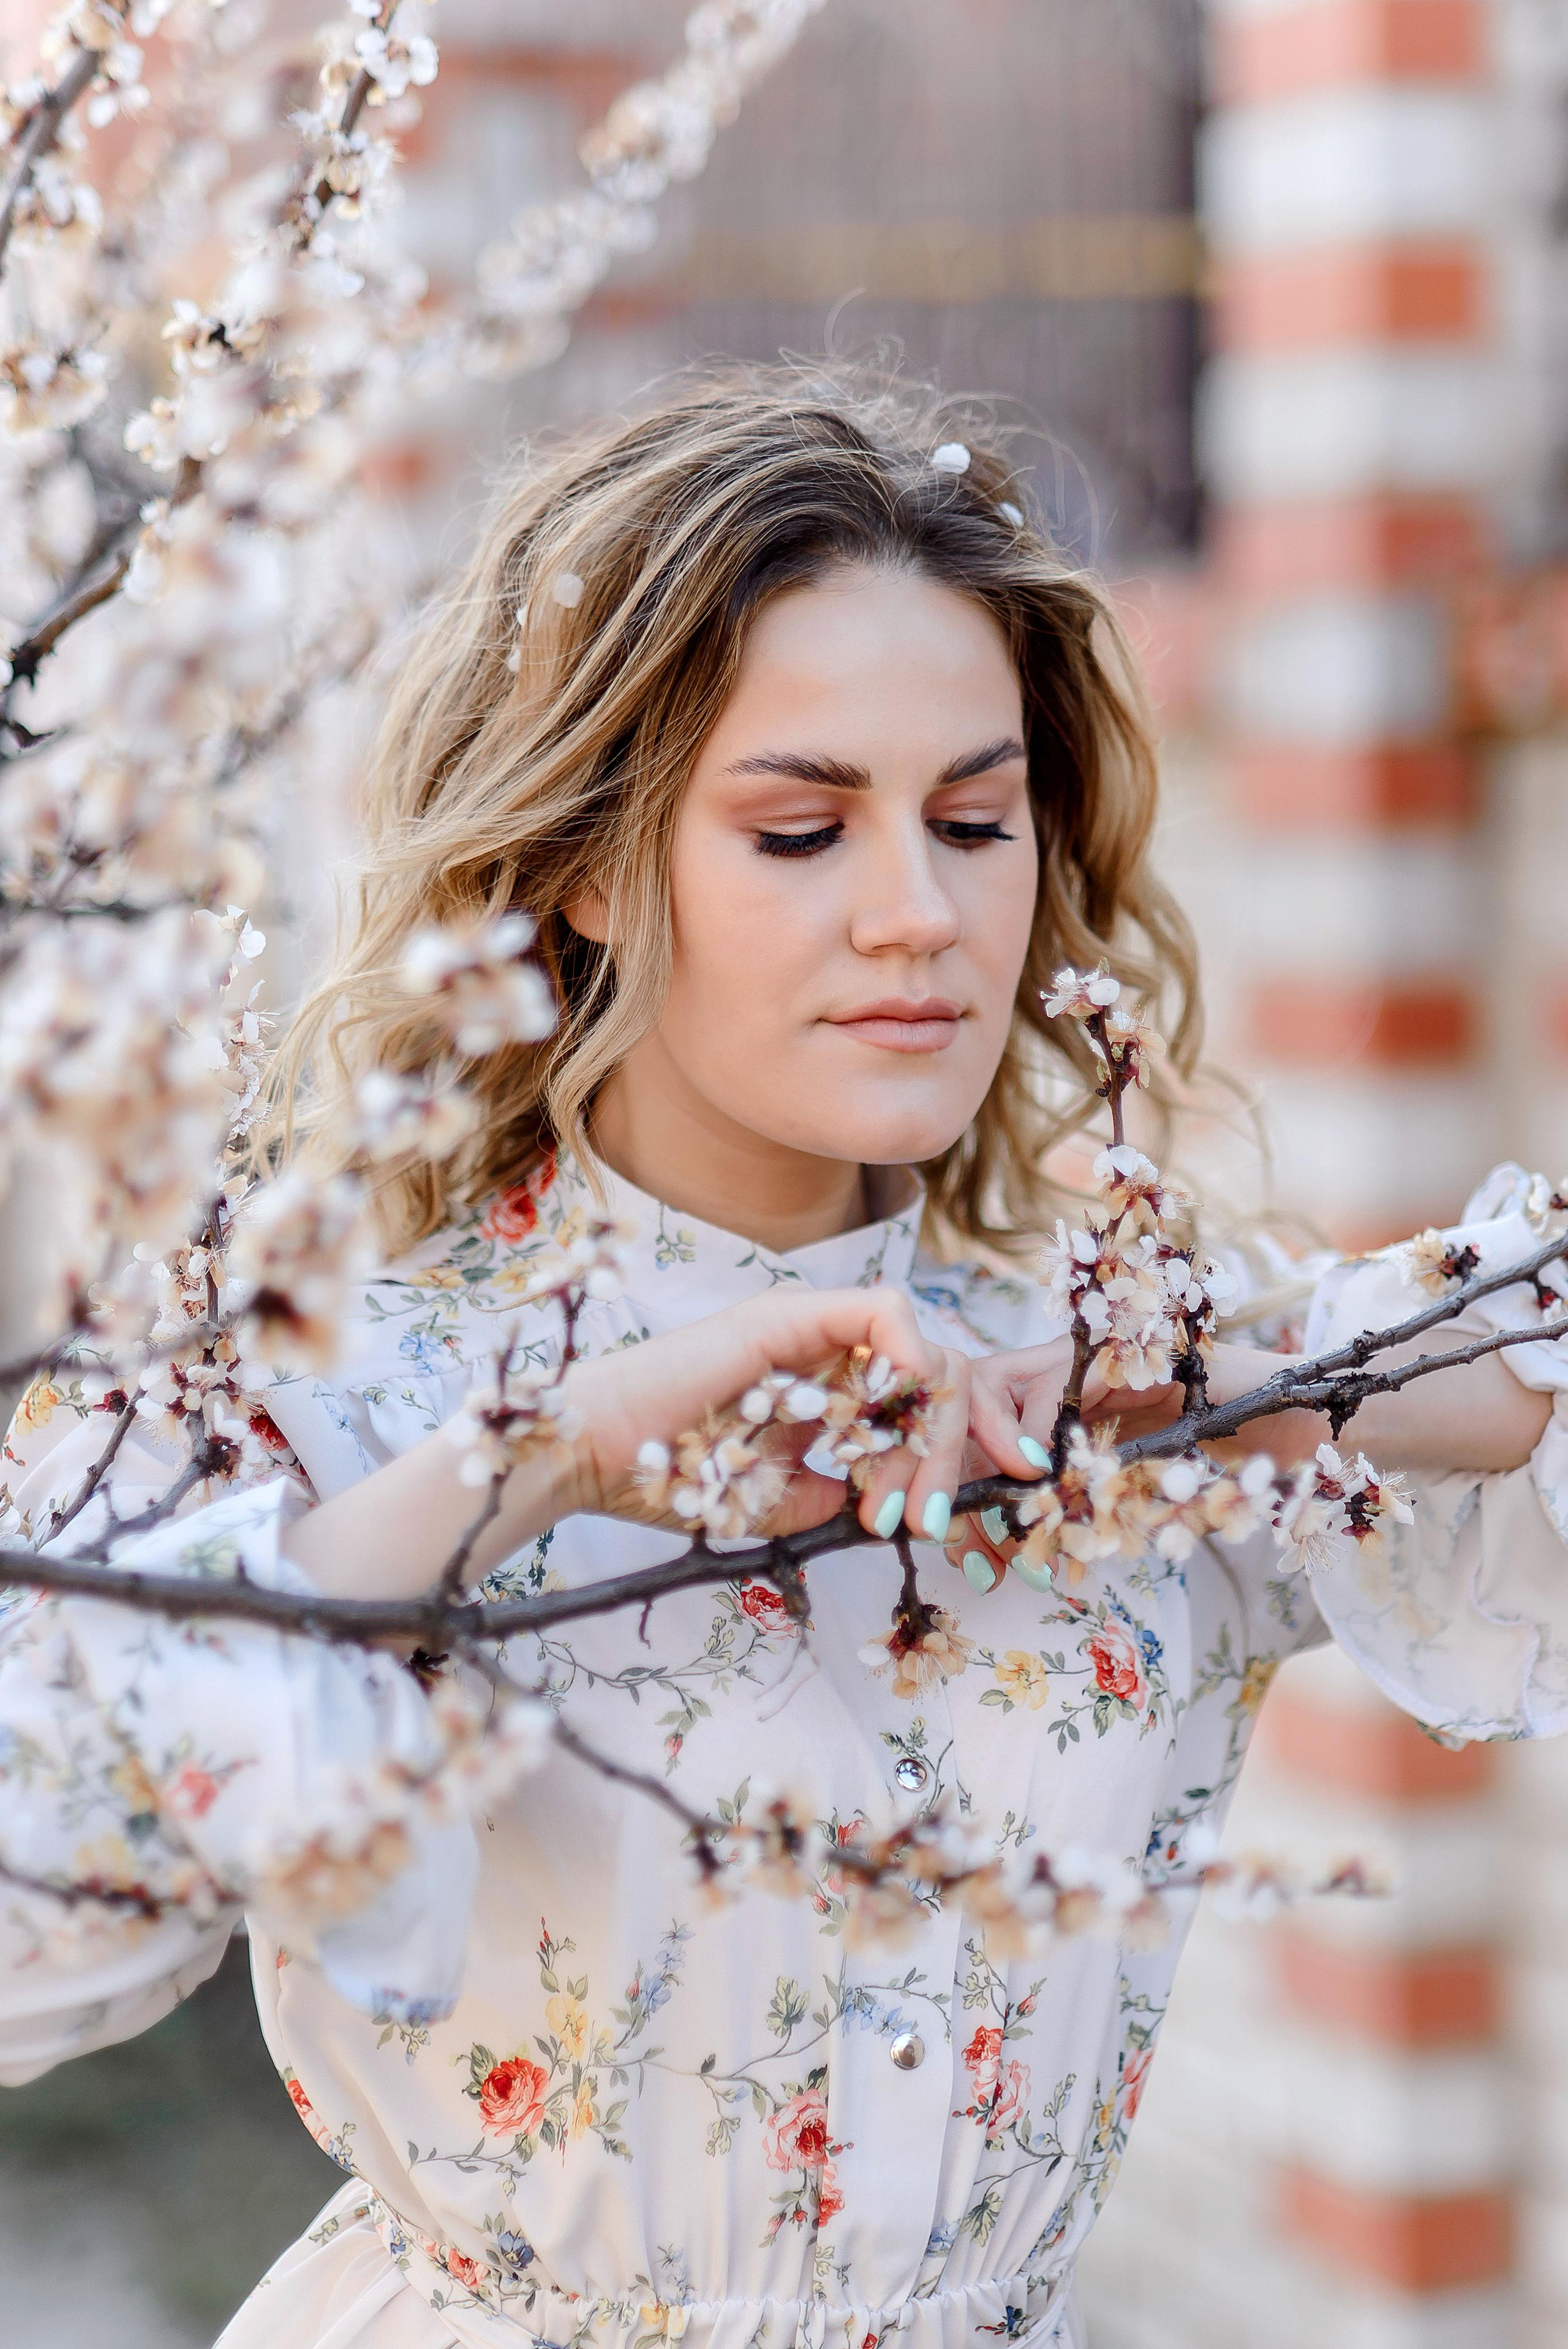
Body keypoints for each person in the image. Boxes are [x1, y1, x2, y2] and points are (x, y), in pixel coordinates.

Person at [4, 368, 1567, 2349]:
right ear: (585, 860)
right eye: (804, 827)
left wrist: (1203, 1394)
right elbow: (28, 1925)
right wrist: (547, 1458)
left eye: (977, 818)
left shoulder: (1102, 1358)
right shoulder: (315, 1394)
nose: (921, 915)